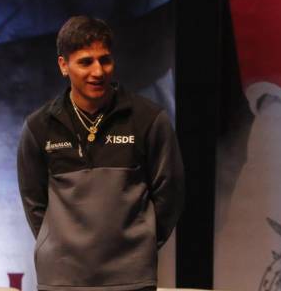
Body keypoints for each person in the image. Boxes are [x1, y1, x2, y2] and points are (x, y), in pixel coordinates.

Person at [17, 16, 185, 291]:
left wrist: (140, 243)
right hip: (62, 279)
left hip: (130, 279)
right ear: (63, 65)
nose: (98, 71)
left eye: (104, 60)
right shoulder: (38, 127)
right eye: (85, 62)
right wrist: (57, 242)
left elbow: (170, 193)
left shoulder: (148, 119)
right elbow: (33, 200)